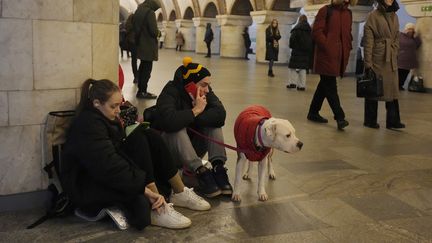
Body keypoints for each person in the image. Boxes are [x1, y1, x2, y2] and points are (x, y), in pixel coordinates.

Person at [61, 79, 211, 230]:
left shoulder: (103, 118)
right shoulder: (88, 125)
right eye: (114, 106)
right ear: (96, 103)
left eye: (119, 104)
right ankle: (157, 207)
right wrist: (143, 190)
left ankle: (179, 191)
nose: (119, 110)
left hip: (104, 175)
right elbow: (109, 167)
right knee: (138, 203)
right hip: (86, 187)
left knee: (147, 135)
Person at [151, 57, 232, 198]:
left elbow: (220, 115)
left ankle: (218, 167)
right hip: (171, 150)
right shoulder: (170, 91)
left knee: (214, 125)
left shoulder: (205, 92)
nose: (207, 90)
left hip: (193, 147)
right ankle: (200, 171)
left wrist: (197, 115)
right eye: (204, 85)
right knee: (177, 129)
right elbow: (168, 121)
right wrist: (194, 111)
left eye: (208, 85)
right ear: (190, 84)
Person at [306, 0, 356, 130]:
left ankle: (313, 112)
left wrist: (348, 46)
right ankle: (340, 117)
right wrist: (327, 45)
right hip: (326, 56)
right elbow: (316, 31)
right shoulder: (326, 10)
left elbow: (348, 34)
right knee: (331, 86)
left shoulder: (348, 13)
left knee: (324, 86)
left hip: (340, 56)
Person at [363, 0, 405, 129]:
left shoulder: (395, 15)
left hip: (391, 56)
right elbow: (368, 41)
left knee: (392, 89)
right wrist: (368, 63)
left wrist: (395, 48)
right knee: (373, 87)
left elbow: (397, 36)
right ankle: (370, 120)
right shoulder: (373, 16)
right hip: (378, 56)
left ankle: (393, 121)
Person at [133, 0, 160, 99]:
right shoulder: (150, 13)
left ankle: (141, 89)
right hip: (148, 45)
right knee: (147, 70)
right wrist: (159, 33)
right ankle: (142, 91)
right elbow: (153, 31)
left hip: (140, 43)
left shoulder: (138, 10)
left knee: (142, 67)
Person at [287, 15, 313, 91]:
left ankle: (292, 83)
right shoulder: (309, 30)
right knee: (303, 69)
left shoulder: (296, 29)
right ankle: (302, 86)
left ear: (299, 20)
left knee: (293, 67)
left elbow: (292, 40)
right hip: (305, 53)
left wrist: (292, 46)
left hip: (296, 51)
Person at [398, 22, 421, 90]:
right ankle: (398, 85)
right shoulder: (400, 36)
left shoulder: (414, 38)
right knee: (399, 73)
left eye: (412, 29)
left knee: (405, 73)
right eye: (409, 29)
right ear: (406, 29)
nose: (410, 31)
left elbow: (418, 44)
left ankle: (400, 85)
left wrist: (415, 36)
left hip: (408, 61)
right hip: (400, 59)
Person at [125, 13, 138, 84]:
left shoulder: (130, 19)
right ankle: (137, 76)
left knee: (134, 60)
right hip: (135, 42)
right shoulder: (135, 18)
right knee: (138, 60)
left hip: (131, 42)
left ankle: (136, 76)